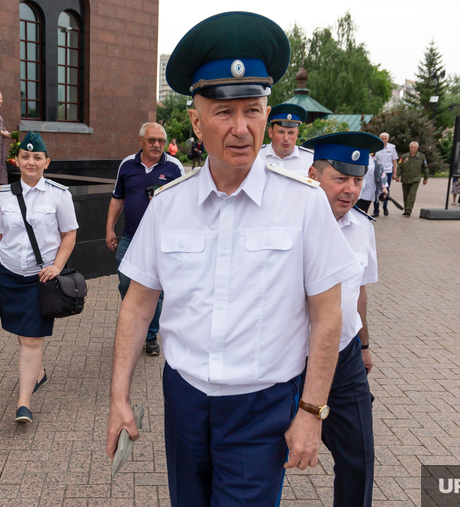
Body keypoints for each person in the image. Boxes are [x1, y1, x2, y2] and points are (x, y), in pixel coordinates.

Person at [106, 12, 363, 506]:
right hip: (183, 401)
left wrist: (311, 411)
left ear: (268, 113)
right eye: (224, 112)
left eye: (253, 109)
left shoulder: (304, 203)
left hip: (261, 406)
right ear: (197, 121)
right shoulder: (169, 205)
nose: (241, 128)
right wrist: (119, 395)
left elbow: (328, 315)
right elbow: (138, 307)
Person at [0, 131, 78, 423]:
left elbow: (69, 235)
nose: (31, 162)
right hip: (8, 278)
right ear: (16, 160)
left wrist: (57, 266)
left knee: (32, 341)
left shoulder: (59, 194)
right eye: (26, 156)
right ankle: (39, 373)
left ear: (47, 162)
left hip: (40, 280)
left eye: (37, 157)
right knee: (23, 337)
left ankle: (23, 403)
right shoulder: (3, 195)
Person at [303, 132, 384, 507]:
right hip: (291, 358)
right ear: (313, 175)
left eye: (358, 179)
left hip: (344, 357)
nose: (351, 189)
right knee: (266, 454)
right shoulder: (288, 228)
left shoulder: (363, 227)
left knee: (359, 458)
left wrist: (365, 346)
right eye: (340, 178)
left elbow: (360, 293)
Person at [105, 123, 184, 356]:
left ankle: (150, 336)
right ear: (140, 140)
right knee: (125, 284)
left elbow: (184, 205)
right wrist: (109, 228)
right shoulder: (127, 165)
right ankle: (134, 324)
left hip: (160, 241)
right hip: (129, 238)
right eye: (151, 140)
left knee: (154, 291)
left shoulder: (174, 167)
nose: (157, 144)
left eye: (161, 140)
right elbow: (117, 198)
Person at [257, 103, 313, 176]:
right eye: (281, 132)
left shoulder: (311, 159)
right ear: (270, 132)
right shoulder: (257, 156)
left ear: (297, 134)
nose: (286, 138)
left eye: (291, 133)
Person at [396, 141, 429, 216]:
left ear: (417, 148)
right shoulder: (405, 156)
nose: (413, 149)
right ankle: (406, 209)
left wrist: (426, 178)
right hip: (405, 178)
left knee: (412, 195)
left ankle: (408, 210)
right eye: (412, 147)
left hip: (415, 179)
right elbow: (399, 166)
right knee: (405, 195)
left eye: (414, 147)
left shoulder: (421, 157)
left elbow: (425, 168)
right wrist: (397, 176)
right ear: (409, 148)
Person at [373, 133, 398, 216]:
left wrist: (395, 173)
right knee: (376, 190)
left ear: (388, 139)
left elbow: (394, 161)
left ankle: (385, 206)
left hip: (388, 171)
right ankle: (376, 210)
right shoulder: (377, 147)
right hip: (377, 171)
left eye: (385, 138)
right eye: (382, 138)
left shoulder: (392, 148)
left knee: (386, 190)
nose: (384, 140)